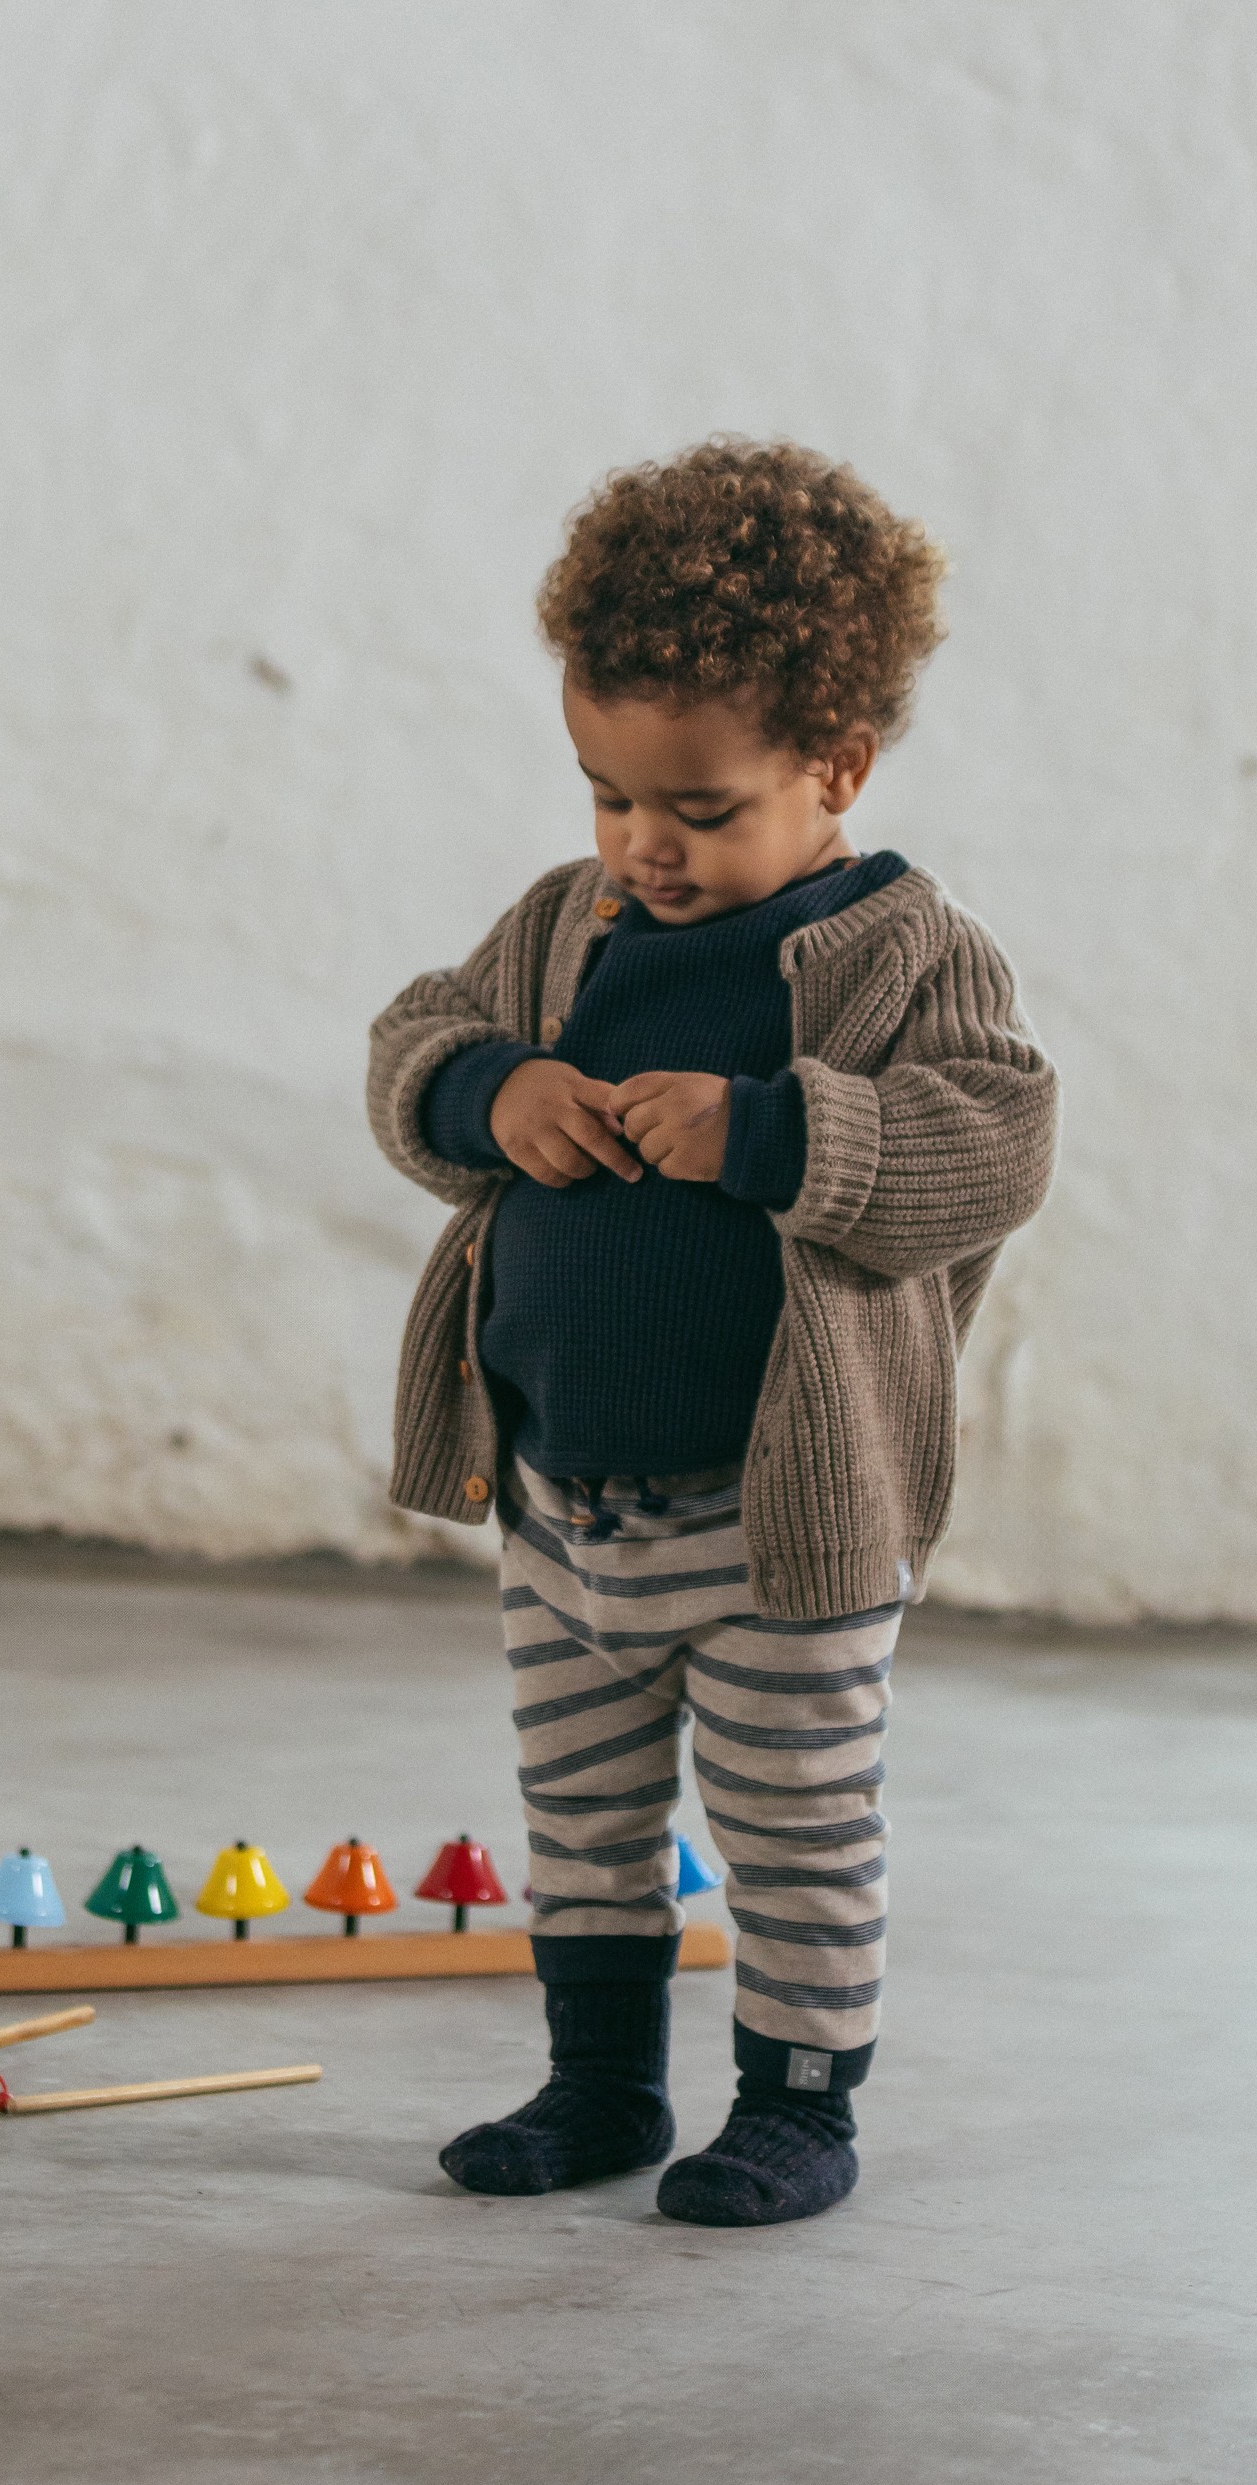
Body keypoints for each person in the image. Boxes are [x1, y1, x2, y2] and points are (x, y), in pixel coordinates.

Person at [367, 439, 1058, 2226]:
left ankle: (798, 2109)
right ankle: (597, 2087)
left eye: (700, 809)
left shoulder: (905, 952)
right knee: (585, 1825)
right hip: (563, 1504)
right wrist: (487, 1089)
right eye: (608, 794)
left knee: (793, 1830)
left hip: (779, 1524)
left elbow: (995, 1138)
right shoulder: (562, 928)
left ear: (838, 767)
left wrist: (775, 1133)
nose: (642, 848)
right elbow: (410, 1041)